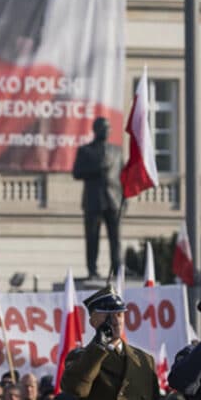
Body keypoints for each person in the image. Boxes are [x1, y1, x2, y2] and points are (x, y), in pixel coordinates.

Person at [72, 117, 123, 282]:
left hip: (114, 199)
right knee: (92, 238)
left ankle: (117, 267)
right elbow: (77, 173)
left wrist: (125, 200)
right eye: (104, 128)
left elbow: (122, 177)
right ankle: (92, 269)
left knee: (115, 238)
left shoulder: (117, 151)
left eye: (108, 128)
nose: (107, 131)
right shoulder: (85, 150)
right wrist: (96, 169)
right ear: (96, 130)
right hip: (93, 200)